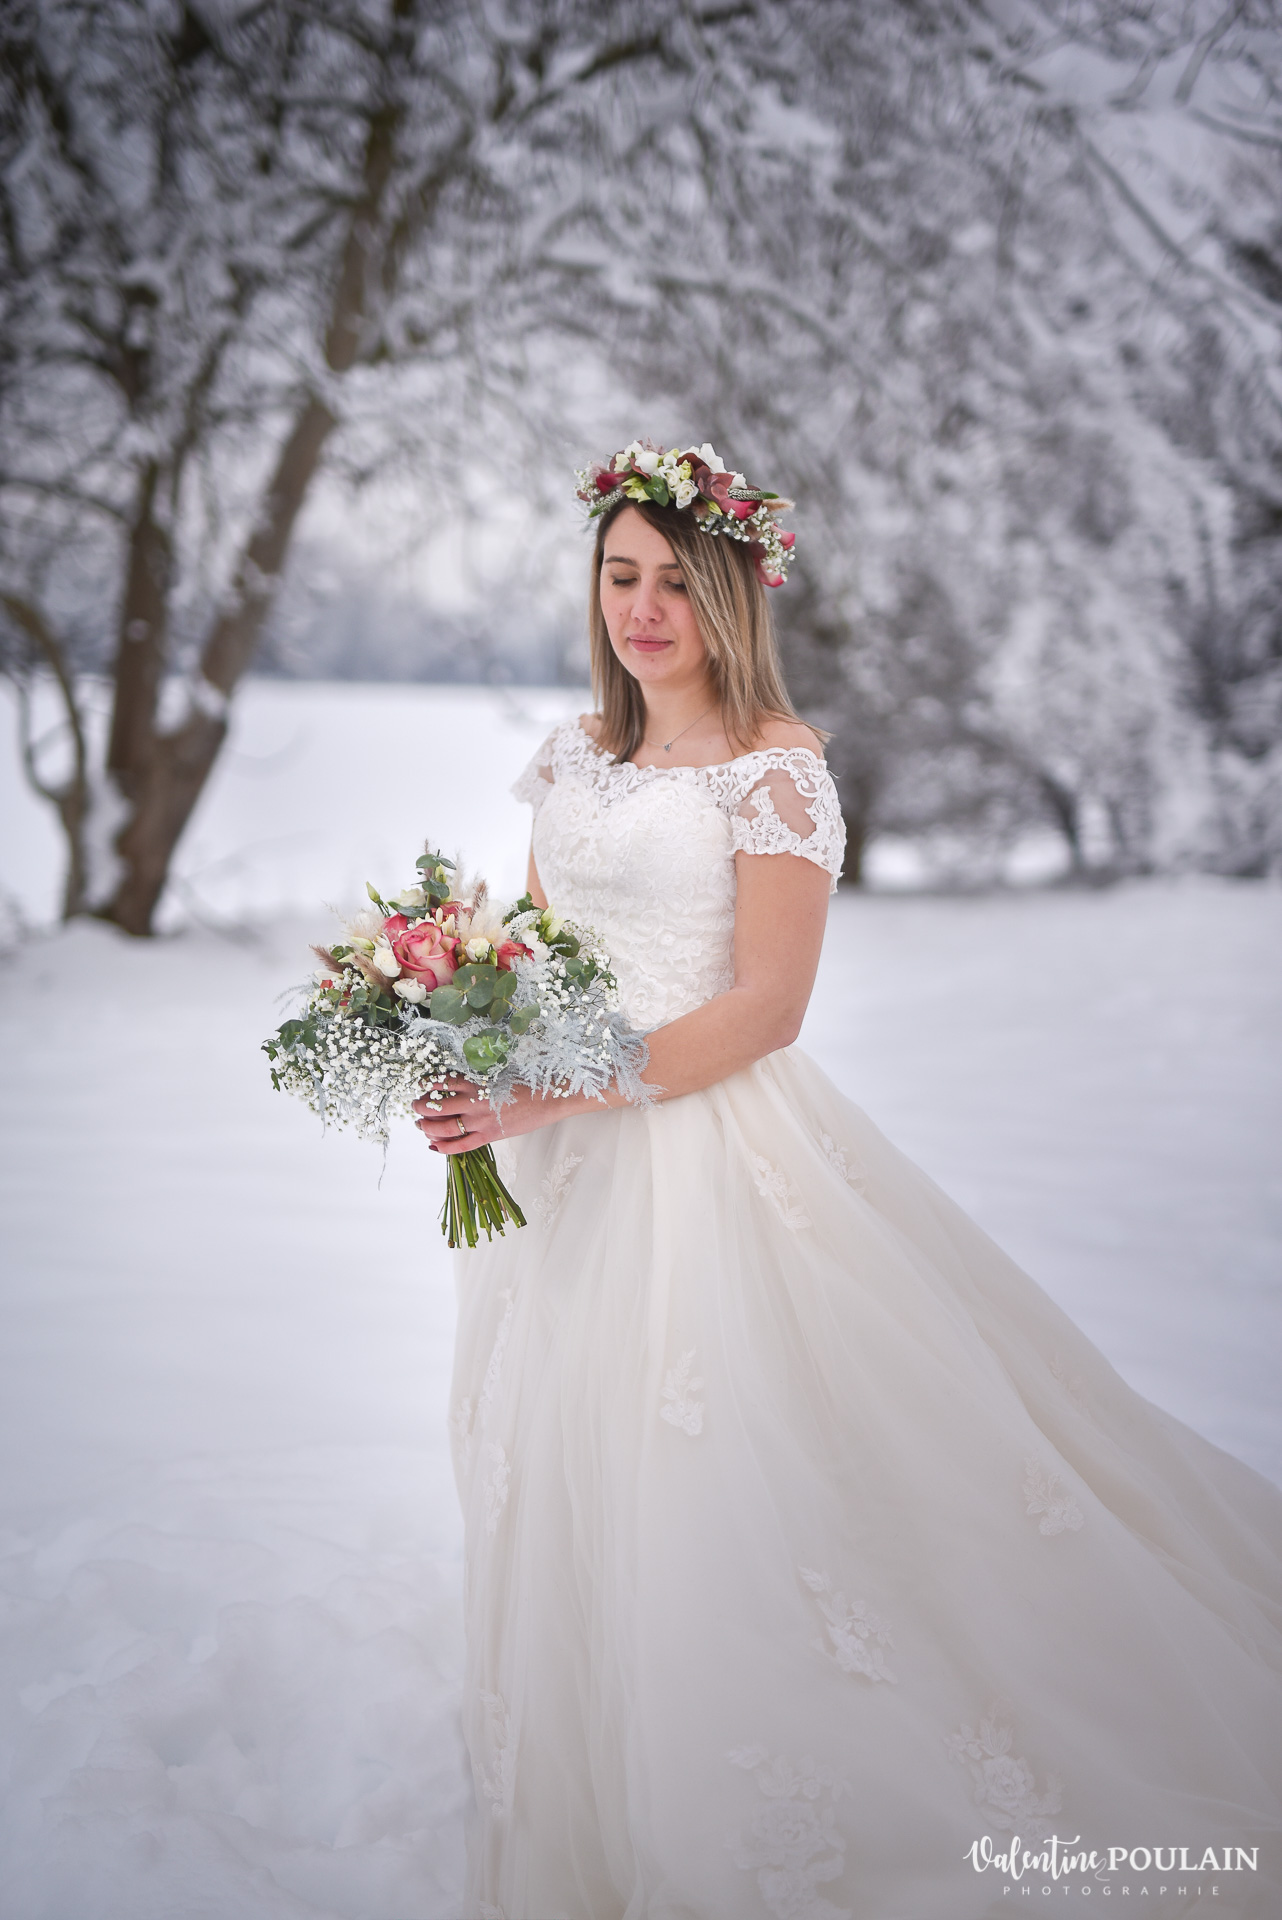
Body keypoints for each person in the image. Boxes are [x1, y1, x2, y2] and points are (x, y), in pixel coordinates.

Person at [413, 442, 1282, 1920]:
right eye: (620, 576)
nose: (642, 609)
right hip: (559, 1177)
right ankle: (591, 1767)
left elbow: (768, 1007)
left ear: (732, 596)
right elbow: (544, 954)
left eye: (675, 582)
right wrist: (465, 1035)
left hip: (709, 1157)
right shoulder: (571, 757)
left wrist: (559, 1086)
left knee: (727, 1468)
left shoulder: (775, 767)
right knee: (569, 1456)